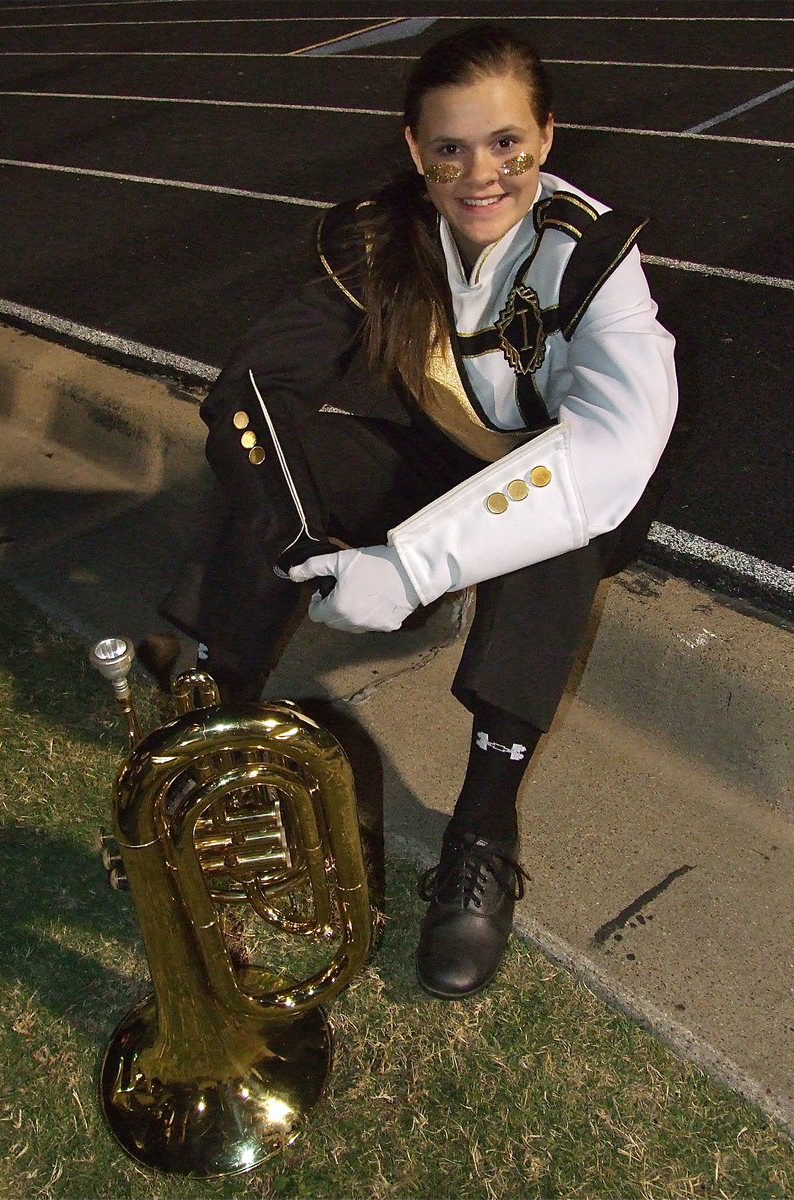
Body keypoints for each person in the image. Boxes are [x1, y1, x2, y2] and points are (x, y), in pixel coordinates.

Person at [161, 24, 678, 1000]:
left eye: (504, 144)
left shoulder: (593, 255)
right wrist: (308, 545)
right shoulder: (380, 234)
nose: (477, 174)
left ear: (545, 136)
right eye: (448, 148)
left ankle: (482, 829)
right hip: (441, 458)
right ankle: (211, 715)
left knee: (548, 539)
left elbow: (606, 455)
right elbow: (249, 392)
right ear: (413, 149)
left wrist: (406, 567)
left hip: (565, 487)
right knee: (288, 448)